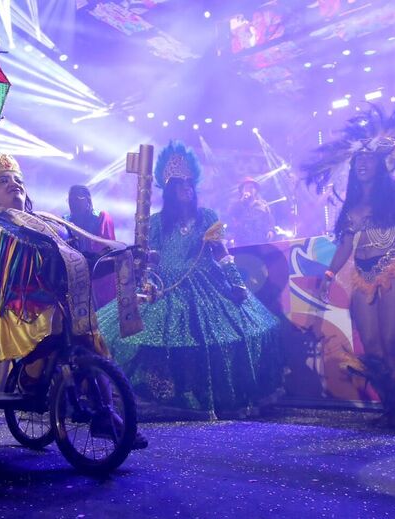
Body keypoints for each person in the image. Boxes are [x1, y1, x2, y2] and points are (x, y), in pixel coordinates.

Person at [0, 116, 147, 448]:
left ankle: (104, 414)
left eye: (17, 178)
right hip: (1, 308)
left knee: (89, 333)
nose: (14, 182)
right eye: (2, 181)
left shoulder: (50, 226)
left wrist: (123, 260)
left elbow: (83, 265)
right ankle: (35, 379)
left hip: (56, 308)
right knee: (62, 320)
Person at [97, 141, 283, 418]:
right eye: (179, 184)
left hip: (207, 287)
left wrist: (236, 283)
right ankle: (159, 398)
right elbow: (150, 258)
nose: (187, 188)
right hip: (164, 287)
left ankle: (209, 398)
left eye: (189, 183)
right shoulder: (156, 222)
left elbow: (221, 253)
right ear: (169, 191)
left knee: (224, 339)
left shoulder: (208, 217)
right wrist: (144, 270)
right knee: (141, 339)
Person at [304, 100, 395, 427]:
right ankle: (391, 406)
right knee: (371, 346)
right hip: (362, 275)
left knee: (391, 341)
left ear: (379, 164)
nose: (362, 163)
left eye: (368, 158)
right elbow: (345, 245)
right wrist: (329, 273)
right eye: (358, 159)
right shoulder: (352, 204)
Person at [64, 184, 117, 307]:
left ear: (88, 200)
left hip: (99, 272)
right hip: (76, 272)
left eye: (77, 199)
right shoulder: (65, 220)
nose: (73, 203)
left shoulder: (101, 217)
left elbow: (108, 247)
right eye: (70, 200)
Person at [227, 177, 275, 246]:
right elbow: (231, 214)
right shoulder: (237, 204)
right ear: (242, 191)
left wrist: (270, 230)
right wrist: (241, 202)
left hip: (260, 240)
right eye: (246, 188)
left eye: (251, 187)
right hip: (242, 242)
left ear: (256, 190)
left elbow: (269, 219)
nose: (248, 190)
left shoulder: (263, 204)